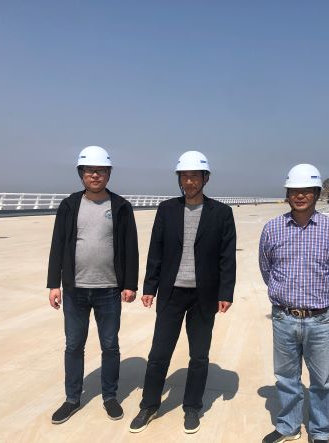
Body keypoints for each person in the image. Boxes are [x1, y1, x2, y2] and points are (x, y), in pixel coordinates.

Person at [129, 150, 236, 434]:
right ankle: (149, 405)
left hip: (204, 295)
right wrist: (150, 286)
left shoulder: (221, 213)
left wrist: (226, 292)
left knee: (199, 356)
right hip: (171, 293)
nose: (189, 181)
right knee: (158, 353)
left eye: (194, 176)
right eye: (184, 176)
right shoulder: (167, 210)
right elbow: (156, 250)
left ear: (205, 178)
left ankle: (192, 407)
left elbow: (227, 257)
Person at [47, 145, 139, 424]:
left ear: (109, 173)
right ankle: (72, 399)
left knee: (110, 345)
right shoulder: (69, 205)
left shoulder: (120, 206)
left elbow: (130, 247)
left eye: (100, 170)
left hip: (109, 289)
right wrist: (53, 284)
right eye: (89, 170)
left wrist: (130, 284)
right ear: (81, 174)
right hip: (74, 289)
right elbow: (58, 244)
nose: (95, 175)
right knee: (74, 345)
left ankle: (110, 396)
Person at [259, 164, 329, 443]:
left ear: (317, 194)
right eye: (294, 191)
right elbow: (266, 268)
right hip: (284, 317)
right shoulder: (272, 229)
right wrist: (284, 294)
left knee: (321, 381)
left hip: (320, 319)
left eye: (307, 191)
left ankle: (320, 431)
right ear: (287, 194)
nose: (300, 196)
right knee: (286, 377)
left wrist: (319, 295)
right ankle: (289, 426)